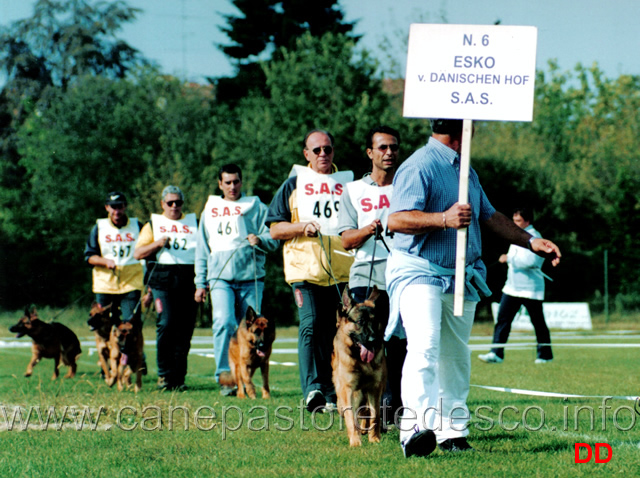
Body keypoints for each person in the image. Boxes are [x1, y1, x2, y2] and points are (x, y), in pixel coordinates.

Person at [385, 119, 561, 457]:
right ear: (460, 129)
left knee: (455, 354)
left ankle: (452, 433)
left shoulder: (467, 170)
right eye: (472, 122)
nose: (476, 127)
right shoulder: (420, 164)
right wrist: (442, 219)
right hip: (419, 270)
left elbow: (489, 215)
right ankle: (415, 430)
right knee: (425, 346)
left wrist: (530, 241)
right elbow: (396, 219)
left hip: (460, 274)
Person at [266, 129, 354, 412]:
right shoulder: (294, 184)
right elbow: (275, 228)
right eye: (316, 150)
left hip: (340, 271)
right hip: (304, 270)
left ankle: (331, 393)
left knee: (334, 332)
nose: (323, 155)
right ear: (306, 154)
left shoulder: (348, 184)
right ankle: (313, 390)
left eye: (327, 149)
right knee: (311, 325)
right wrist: (301, 227)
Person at [338, 125, 406, 423]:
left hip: (404, 273)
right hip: (365, 276)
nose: (389, 153)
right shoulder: (353, 189)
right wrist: (369, 228)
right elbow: (346, 239)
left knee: (399, 343)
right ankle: (364, 411)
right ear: (370, 152)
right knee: (366, 342)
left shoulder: (408, 185)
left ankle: (395, 406)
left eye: (393, 147)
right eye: (383, 148)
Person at [194, 164, 278, 396]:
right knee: (223, 321)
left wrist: (260, 239)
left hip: (250, 278)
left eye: (236, 181)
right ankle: (226, 377)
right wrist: (200, 282)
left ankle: (248, 378)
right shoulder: (210, 209)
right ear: (220, 184)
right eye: (227, 182)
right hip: (220, 278)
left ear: (242, 182)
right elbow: (202, 248)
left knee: (255, 328)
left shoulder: (257, 207)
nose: (232, 186)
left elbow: (274, 237)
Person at [133, 185, 197, 391]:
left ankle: (179, 377)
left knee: (185, 330)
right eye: (170, 203)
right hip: (161, 281)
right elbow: (138, 253)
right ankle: (164, 374)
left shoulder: (193, 223)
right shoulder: (153, 224)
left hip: (188, 281)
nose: (174, 207)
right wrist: (157, 244)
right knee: (167, 323)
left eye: (178, 203)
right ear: (162, 204)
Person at [478, 207, 553, 364]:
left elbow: (531, 261)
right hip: (512, 288)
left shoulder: (535, 237)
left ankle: (545, 355)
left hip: (530, 289)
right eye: (514, 220)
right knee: (503, 319)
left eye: (518, 221)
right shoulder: (516, 237)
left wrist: (509, 259)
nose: (515, 224)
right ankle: (496, 353)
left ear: (527, 221)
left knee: (538, 322)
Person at [84, 191, 144, 326]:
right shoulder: (99, 227)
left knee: (131, 324)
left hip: (131, 283)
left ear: (125, 207)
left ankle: (131, 348)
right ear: (107, 208)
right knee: (104, 325)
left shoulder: (137, 226)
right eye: (113, 207)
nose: (116, 211)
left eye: (120, 206)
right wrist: (105, 261)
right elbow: (89, 257)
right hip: (105, 285)